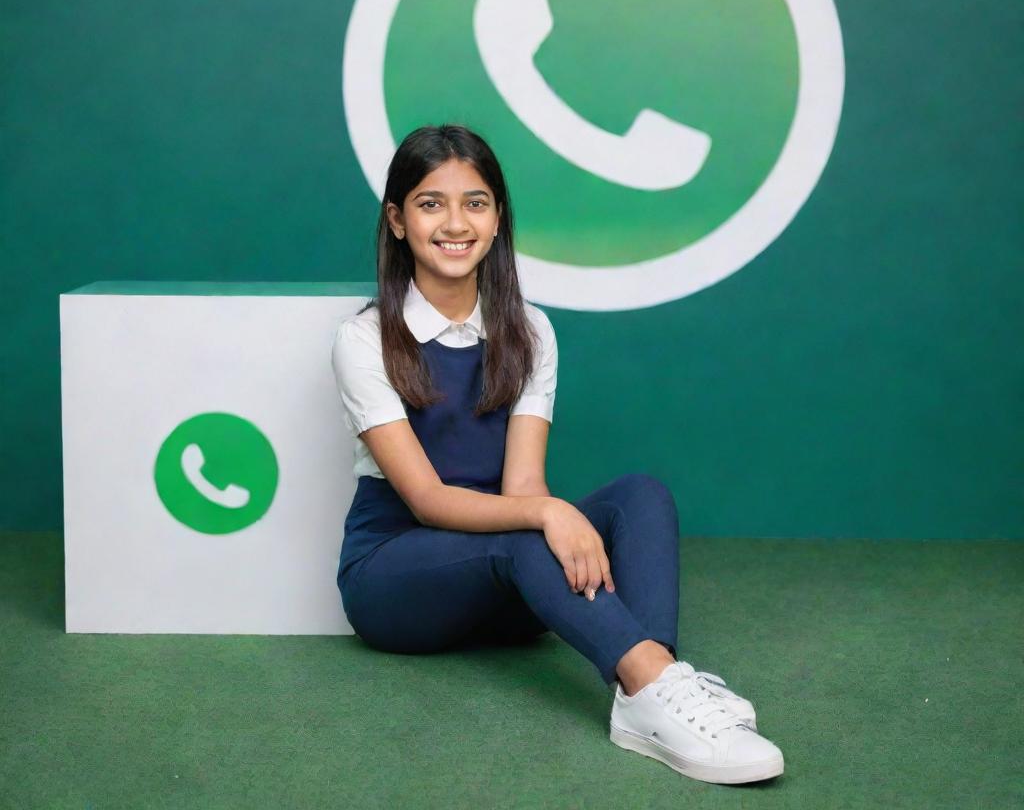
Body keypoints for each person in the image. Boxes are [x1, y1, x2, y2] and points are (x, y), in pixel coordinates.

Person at [331, 123, 784, 785]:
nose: (455, 222)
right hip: (397, 578)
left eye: (475, 202)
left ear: (498, 219)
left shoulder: (530, 329)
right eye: (431, 204)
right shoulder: (365, 338)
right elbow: (427, 501)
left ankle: (649, 688)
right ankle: (656, 686)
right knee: (524, 531)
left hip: (502, 586)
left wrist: (539, 511)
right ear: (398, 221)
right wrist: (544, 515)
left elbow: (522, 486)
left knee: (640, 495)